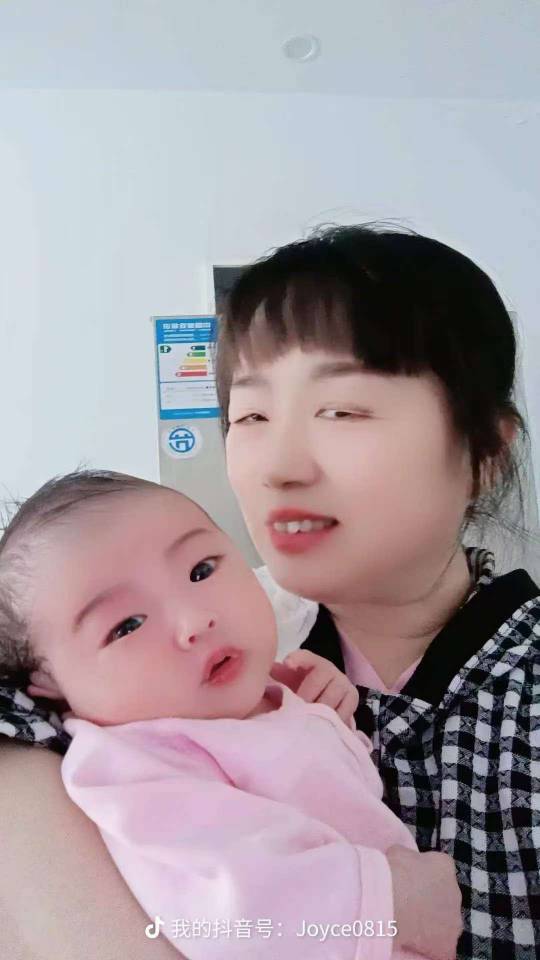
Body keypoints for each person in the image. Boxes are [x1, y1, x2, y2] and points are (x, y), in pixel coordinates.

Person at [215, 224, 540, 960]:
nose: (278, 468)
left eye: (342, 411)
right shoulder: (203, 654)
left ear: (486, 452)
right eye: (251, 416)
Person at [0, 469, 461, 960]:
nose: (196, 620)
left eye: (201, 571)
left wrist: (325, 718)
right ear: (45, 683)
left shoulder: (255, 695)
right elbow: (235, 910)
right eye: (127, 625)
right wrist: (399, 901)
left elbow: (329, 792)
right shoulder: (129, 768)